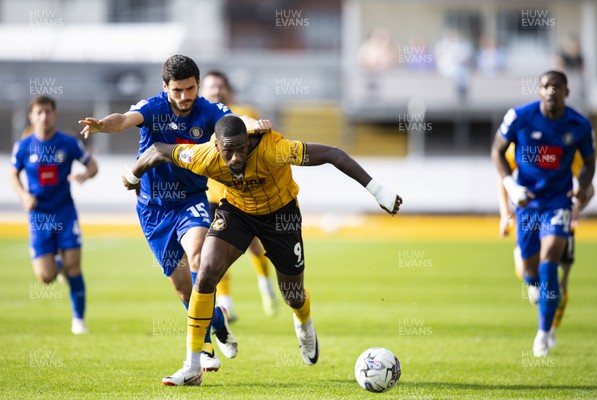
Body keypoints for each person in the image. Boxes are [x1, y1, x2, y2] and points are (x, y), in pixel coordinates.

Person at [122, 115, 402, 386]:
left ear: (248, 141)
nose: (236, 158)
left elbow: (333, 153)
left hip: (281, 215)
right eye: (229, 151)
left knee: (292, 295)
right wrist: (133, 175)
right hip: (238, 212)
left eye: (241, 149)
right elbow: (158, 150)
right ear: (216, 146)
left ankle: (303, 322)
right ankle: (193, 366)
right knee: (205, 273)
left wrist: (379, 192)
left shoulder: (275, 150)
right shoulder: (201, 156)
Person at [78, 55, 271, 371]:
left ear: (198, 84)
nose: (185, 97)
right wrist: (102, 126)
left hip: (191, 200)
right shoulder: (153, 108)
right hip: (153, 210)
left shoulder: (207, 110)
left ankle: (205, 347)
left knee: (197, 257)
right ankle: (218, 321)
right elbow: (124, 119)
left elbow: (235, 122)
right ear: (165, 87)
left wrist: (254, 124)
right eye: (178, 90)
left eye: (191, 88)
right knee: (183, 287)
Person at [491, 70, 595, 357]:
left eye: (557, 87)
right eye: (546, 86)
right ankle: (532, 283)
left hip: (558, 203)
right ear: (539, 90)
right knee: (530, 269)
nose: (551, 91)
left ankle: (543, 333)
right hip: (526, 203)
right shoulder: (520, 118)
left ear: (566, 92)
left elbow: (589, 163)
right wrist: (511, 188)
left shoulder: (579, 125)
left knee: (551, 263)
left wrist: (581, 189)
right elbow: (497, 152)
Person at [10, 95, 99, 335]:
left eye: (48, 111)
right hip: (39, 216)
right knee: (45, 277)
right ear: (31, 116)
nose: (44, 116)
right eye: (39, 112)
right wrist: (24, 196)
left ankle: (78, 320)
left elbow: (93, 165)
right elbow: (12, 175)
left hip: (65, 212)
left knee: (74, 268)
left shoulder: (68, 143)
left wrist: (85, 175)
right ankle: (55, 266)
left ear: (54, 114)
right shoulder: (24, 146)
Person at [497, 143, 594, 348]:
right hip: (529, 216)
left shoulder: (567, 143)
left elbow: (589, 187)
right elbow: (503, 176)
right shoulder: (521, 141)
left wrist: (576, 208)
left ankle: (548, 331)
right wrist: (505, 212)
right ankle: (535, 287)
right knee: (528, 274)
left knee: (559, 281)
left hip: (558, 215)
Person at [200, 70, 277, 320]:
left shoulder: (246, 115)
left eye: (220, 86)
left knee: (255, 247)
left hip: (244, 194)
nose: (216, 91)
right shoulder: (199, 120)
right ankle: (226, 305)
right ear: (202, 91)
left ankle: (266, 285)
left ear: (227, 90)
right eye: (211, 87)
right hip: (213, 195)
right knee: (214, 251)